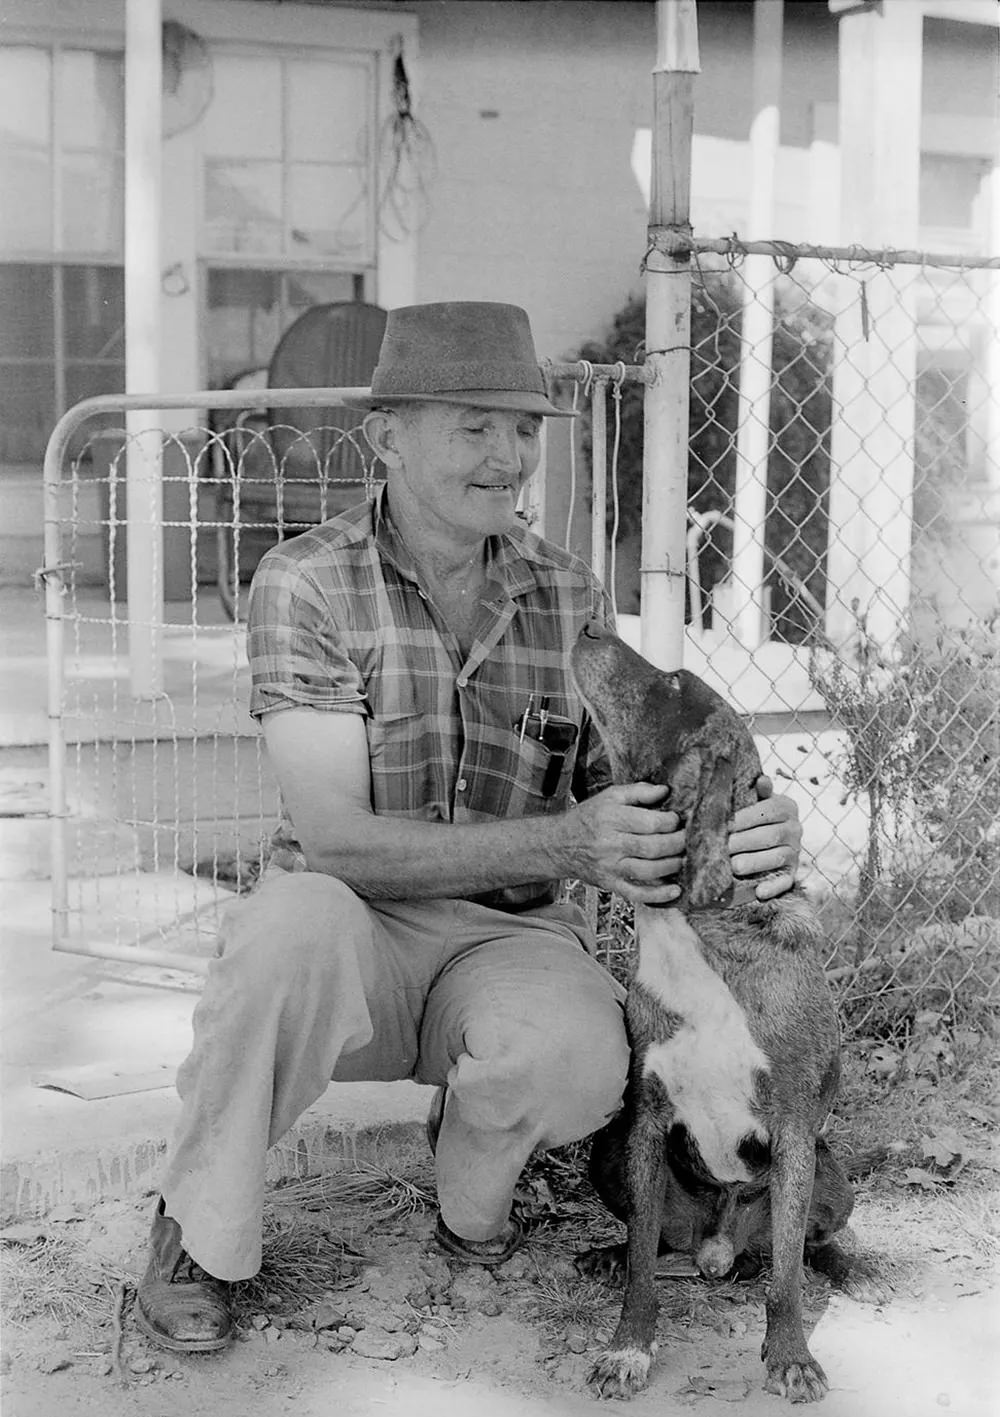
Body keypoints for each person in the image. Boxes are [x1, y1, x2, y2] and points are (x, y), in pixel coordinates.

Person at [136, 301, 802, 1354]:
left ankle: (467, 1203)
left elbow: (629, 777)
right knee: (280, 932)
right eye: (475, 424)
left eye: (525, 427)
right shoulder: (305, 581)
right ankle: (196, 1232)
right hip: (351, 917)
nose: (510, 456)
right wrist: (564, 844)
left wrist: (765, 823)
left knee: (581, 1055)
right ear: (387, 434)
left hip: (508, 938)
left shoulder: (565, 591)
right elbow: (338, 836)